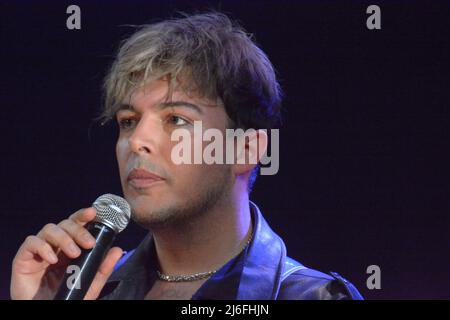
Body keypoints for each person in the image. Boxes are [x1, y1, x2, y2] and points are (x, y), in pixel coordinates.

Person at [10, 12, 363, 300]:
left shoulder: (309, 296)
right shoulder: (91, 289)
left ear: (245, 149)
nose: (137, 141)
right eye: (128, 121)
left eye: (176, 119)